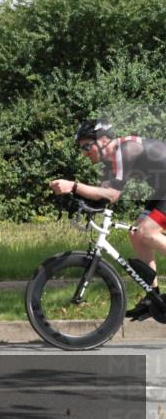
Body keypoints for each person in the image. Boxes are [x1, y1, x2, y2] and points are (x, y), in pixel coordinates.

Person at [49, 120, 166, 319]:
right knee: (136, 234)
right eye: (82, 149)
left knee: (147, 231)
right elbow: (102, 197)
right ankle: (153, 297)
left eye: (87, 146)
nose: (84, 153)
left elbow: (112, 195)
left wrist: (74, 186)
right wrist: (77, 200)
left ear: (103, 140)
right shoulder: (112, 161)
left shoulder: (126, 150)